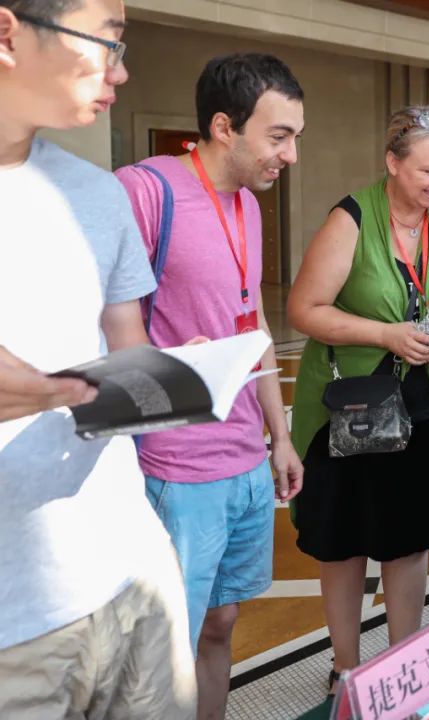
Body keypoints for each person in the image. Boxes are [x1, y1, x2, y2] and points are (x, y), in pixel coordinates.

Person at [0, 1, 195, 716]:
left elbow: (126, 342)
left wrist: (180, 376)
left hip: (132, 570)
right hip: (14, 623)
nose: (122, 71)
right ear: (7, 33)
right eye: (108, 43)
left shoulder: (97, 193)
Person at [115, 53, 305, 720]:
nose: (291, 155)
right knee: (164, 644)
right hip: (176, 464)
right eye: (279, 136)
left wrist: (279, 436)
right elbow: (97, 324)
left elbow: (252, 326)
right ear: (225, 127)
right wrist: (169, 362)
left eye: (295, 137)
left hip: (245, 458)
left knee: (222, 623)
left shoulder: (248, 205)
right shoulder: (145, 192)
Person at [287, 106, 429, 695]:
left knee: (409, 542)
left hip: (423, 406)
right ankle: (346, 667)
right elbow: (304, 310)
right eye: (428, 170)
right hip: (350, 408)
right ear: (393, 163)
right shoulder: (350, 219)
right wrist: (386, 334)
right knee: (342, 544)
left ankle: (402, 665)